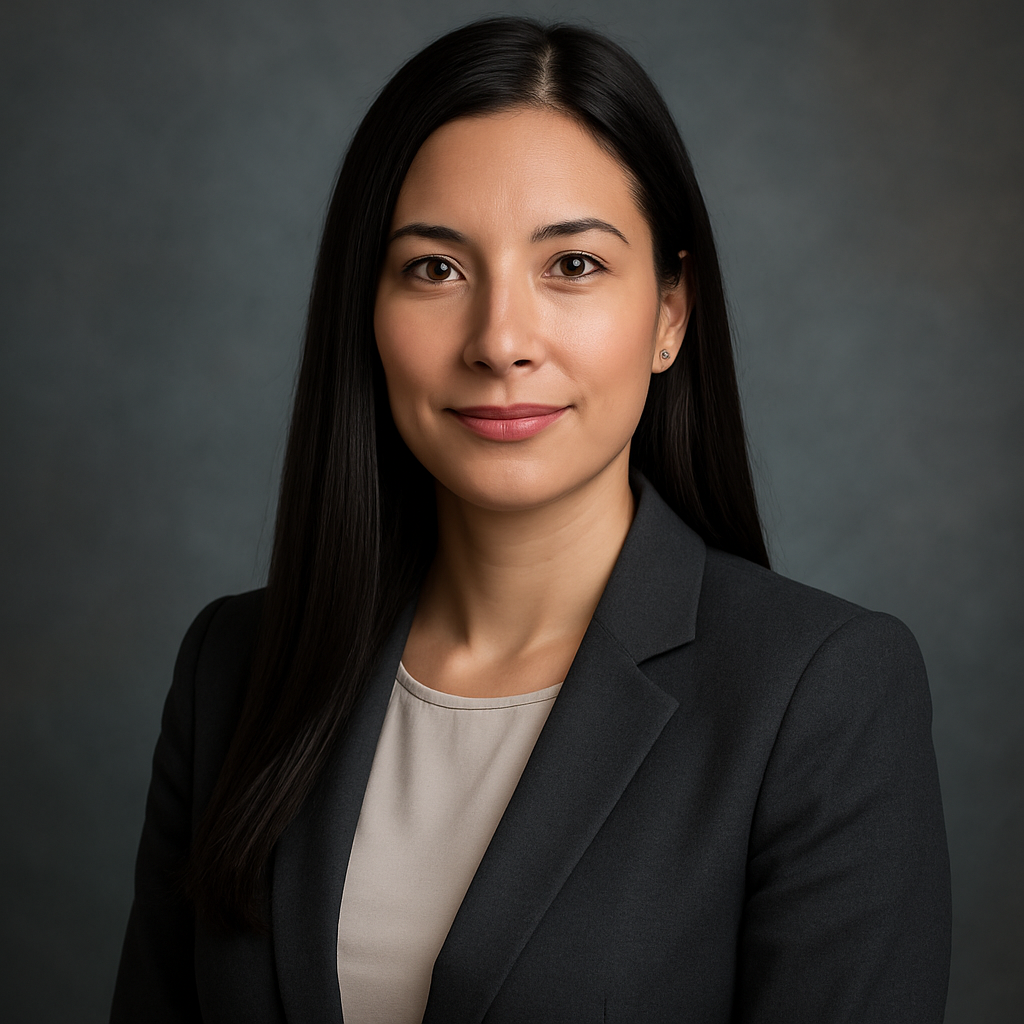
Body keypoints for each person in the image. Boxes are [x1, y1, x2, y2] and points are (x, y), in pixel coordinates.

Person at [110, 16, 951, 1024]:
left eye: (574, 266)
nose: (501, 340)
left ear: (670, 314)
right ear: (365, 312)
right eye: (435, 268)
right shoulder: (232, 668)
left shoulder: (820, 694)